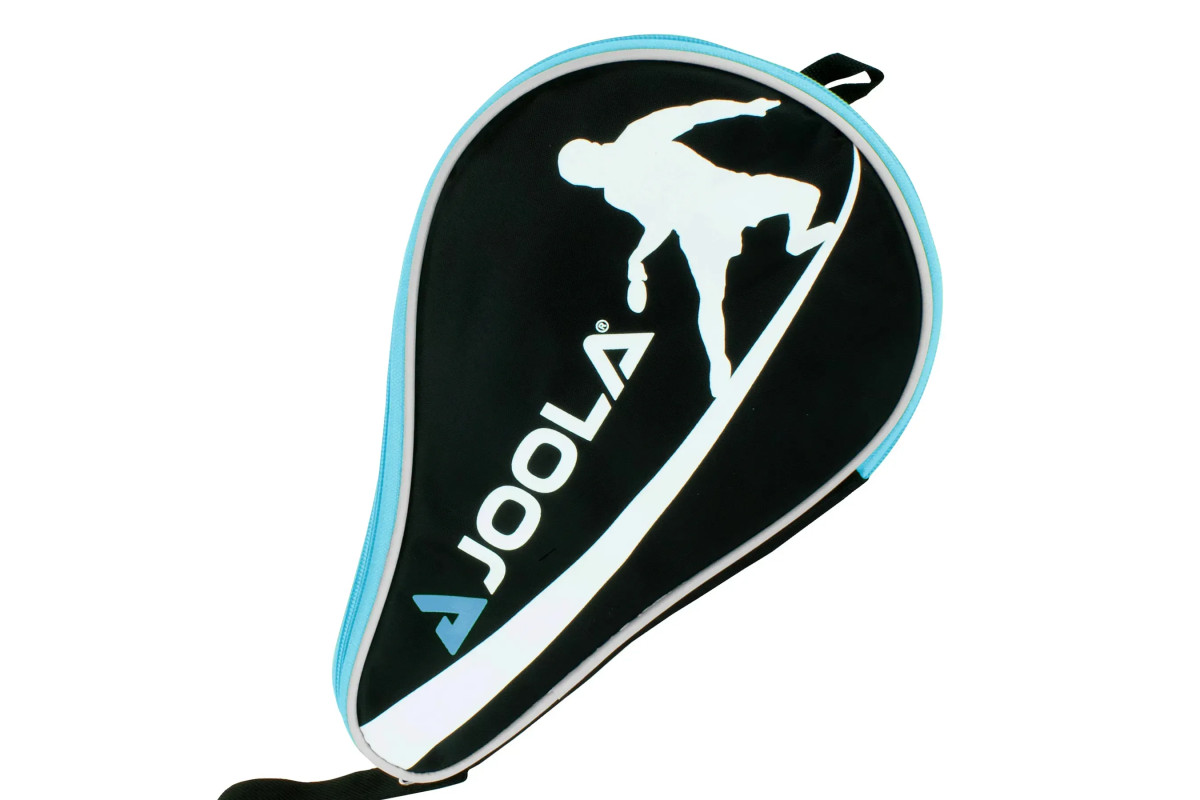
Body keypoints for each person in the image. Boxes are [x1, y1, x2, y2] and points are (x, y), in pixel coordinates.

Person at [559, 97, 833, 397]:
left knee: (807, 195)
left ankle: (796, 241)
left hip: (726, 191)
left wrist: (744, 107)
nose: (594, 183)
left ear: (595, 151)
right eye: (587, 183)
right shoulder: (616, 194)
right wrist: (636, 258)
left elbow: (695, 113)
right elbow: (658, 222)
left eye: (589, 176)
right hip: (698, 227)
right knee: (711, 298)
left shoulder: (638, 136)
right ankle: (718, 364)